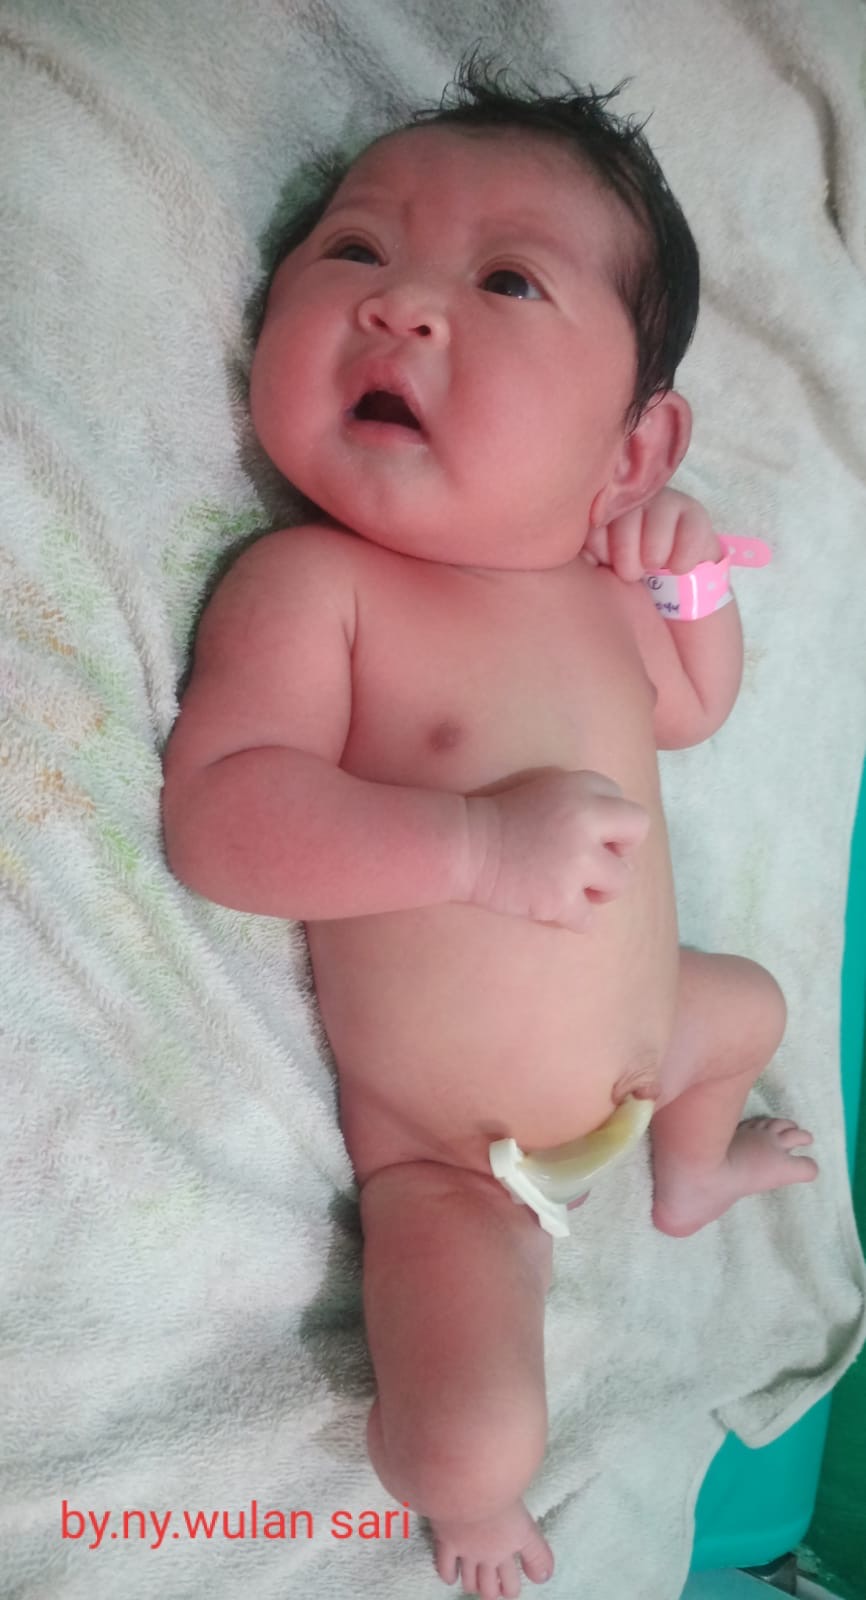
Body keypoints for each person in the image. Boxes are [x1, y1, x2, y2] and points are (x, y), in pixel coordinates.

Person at [161, 57, 817, 1600]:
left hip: (652, 1034)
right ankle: (458, 1510)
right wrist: (468, 844)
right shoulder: (316, 588)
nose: (399, 305)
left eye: (504, 279)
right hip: (450, 1157)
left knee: (754, 1009)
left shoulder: (599, 597)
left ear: (632, 450)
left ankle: (686, 1175)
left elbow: (691, 706)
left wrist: (689, 583)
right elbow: (221, 820)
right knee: (475, 1441)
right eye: (352, 249)